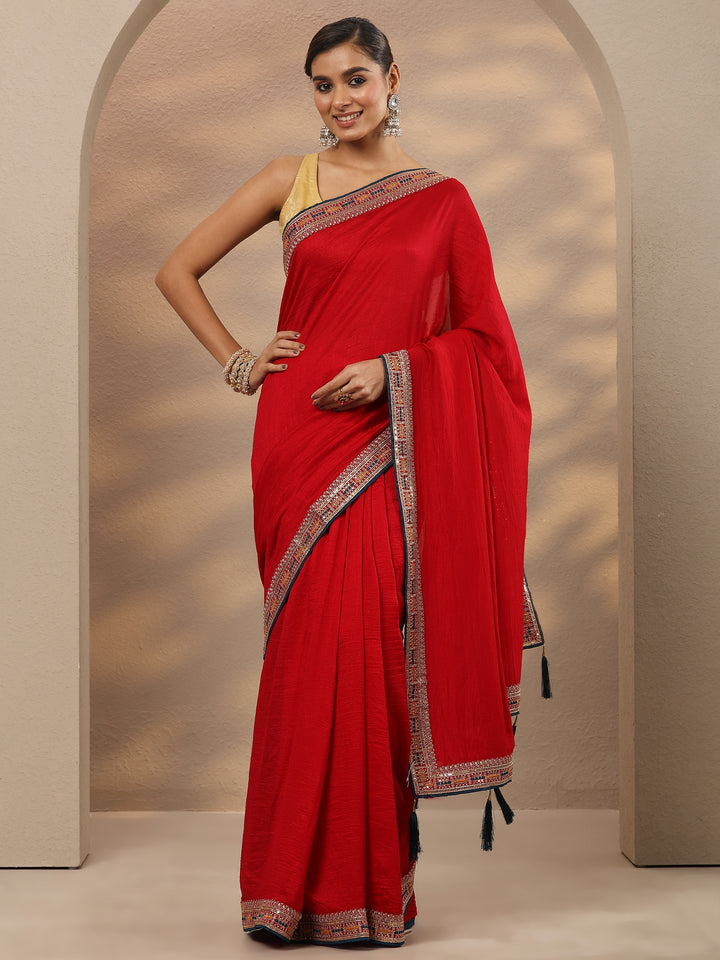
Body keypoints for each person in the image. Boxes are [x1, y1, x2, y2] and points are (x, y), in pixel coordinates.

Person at [155, 16, 548, 948]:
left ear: (392, 78)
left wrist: (394, 370)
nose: (340, 99)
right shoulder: (287, 179)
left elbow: (486, 347)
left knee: (369, 653)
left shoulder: (444, 201)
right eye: (323, 84)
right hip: (299, 441)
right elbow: (175, 269)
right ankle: (281, 893)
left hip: (388, 442)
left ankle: (366, 895)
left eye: (356, 79)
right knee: (306, 658)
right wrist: (241, 359)